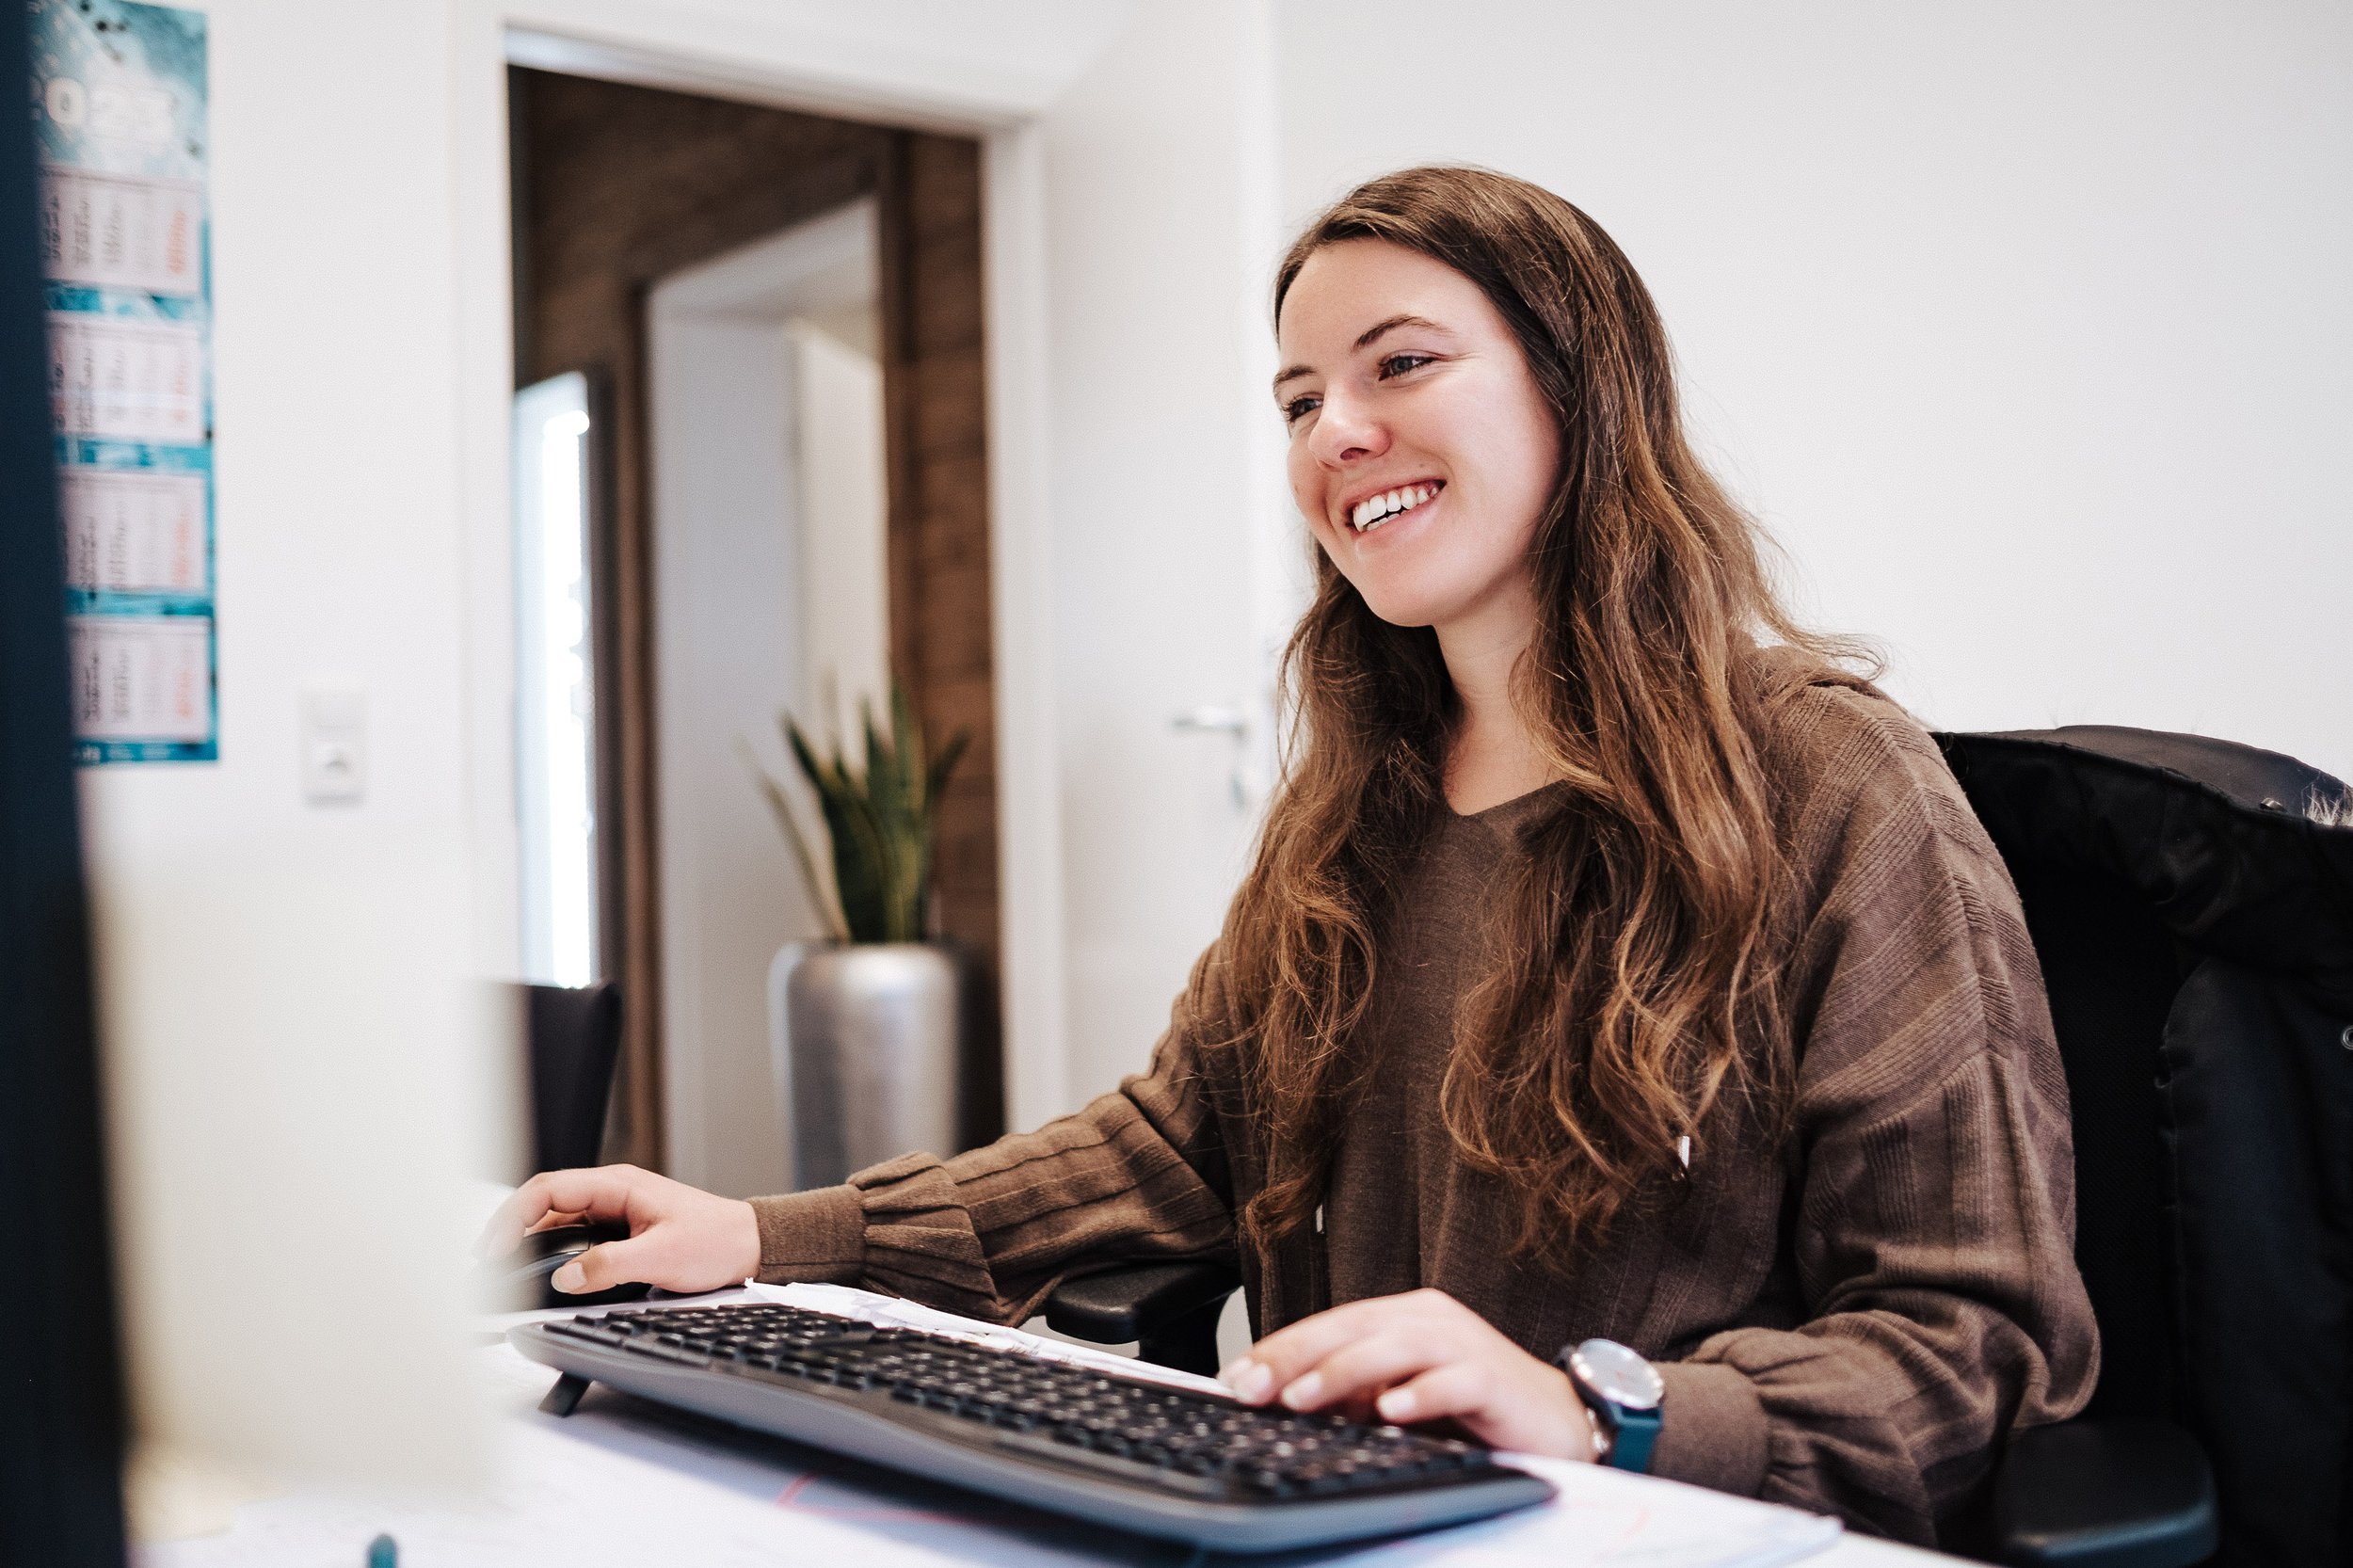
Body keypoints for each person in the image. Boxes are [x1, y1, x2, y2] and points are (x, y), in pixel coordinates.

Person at [483, 166, 2098, 1545]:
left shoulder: (1829, 781)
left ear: (1579, 386)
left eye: (1402, 363)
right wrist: (769, 1239)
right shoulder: (1360, 801)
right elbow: (1170, 1143)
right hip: (1348, 1517)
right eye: (1301, 399)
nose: (1340, 431)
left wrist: (1589, 1409)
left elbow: (1973, 1341)